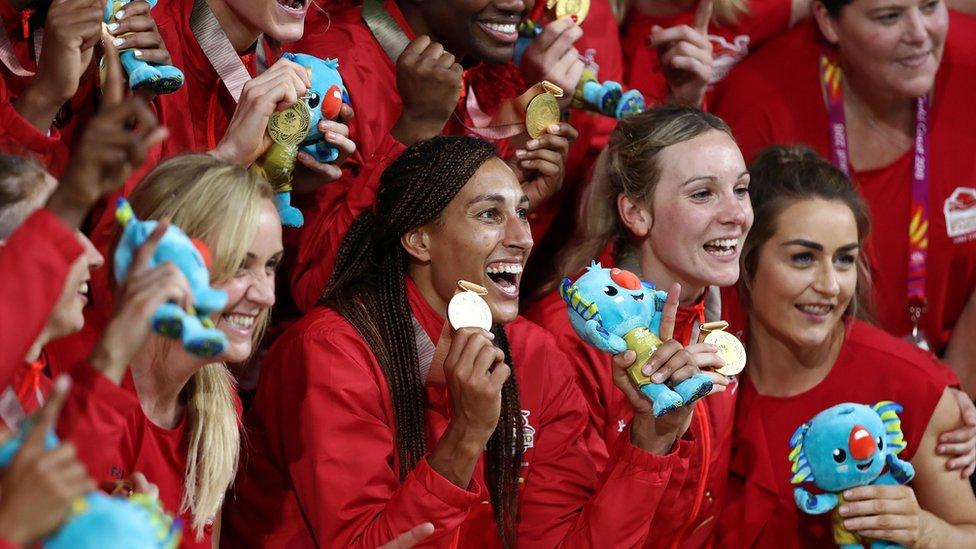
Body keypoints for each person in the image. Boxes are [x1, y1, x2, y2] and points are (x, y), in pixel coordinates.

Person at [223, 136, 712, 547]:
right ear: (419, 241)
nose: (522, 236)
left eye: (522, 212)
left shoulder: (535, 356)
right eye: (488, 215)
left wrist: (650, 445)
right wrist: (466, 434)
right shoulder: (330, 353)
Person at [713, 2, 976, 394]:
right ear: (826, 20)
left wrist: (952, 396)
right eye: (889, 16)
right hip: (800, 385)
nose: (919, 33)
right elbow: (732, 284)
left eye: (929, 5)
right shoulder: (760, 106)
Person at [719, 146, 976, 546]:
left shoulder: (912, 387)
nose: (830, 285)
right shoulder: (708, 374)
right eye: (803, 258)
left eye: (844, 260)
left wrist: (925, 531)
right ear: (747, 260)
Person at [286, 0, 578, 312]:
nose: (516, 3)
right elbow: (314, 291)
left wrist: (507, 204)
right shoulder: (328, 69)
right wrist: (415, 128)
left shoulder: (478, 66)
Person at [52, 154, 281, 549]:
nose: (266, 294)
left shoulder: (221, 409)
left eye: (271, 265)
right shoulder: (65, 369)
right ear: (165, 258)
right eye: (240, 265)